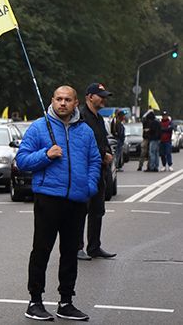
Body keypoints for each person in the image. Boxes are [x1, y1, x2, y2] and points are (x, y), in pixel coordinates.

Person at [17, 85, 101, 321]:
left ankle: (66, 302)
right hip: (48, 198)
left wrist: (89, 187)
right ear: (52, 100)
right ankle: (35, 301)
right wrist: (46, 155)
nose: (63, 103)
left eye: (67, 100)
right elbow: (22, 160)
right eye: (59, 99)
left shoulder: (85, 131)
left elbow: (94, 161)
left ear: (76, 103)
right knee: (41, 250)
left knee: (70, 253)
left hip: (77, 200)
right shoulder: (39, 127)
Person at [78, 83, 116, 261]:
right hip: (85, 171)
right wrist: (103, 154)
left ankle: (94, 247)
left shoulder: (99, 118)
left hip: (99, 170)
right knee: (81, 211)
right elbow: (82, 144)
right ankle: (77, 247)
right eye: (100, 96)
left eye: (104, 96)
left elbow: (103, 140)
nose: (103, 99)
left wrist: (108, 152)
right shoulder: (81, 117)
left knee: (97, 209)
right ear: (89, 97)